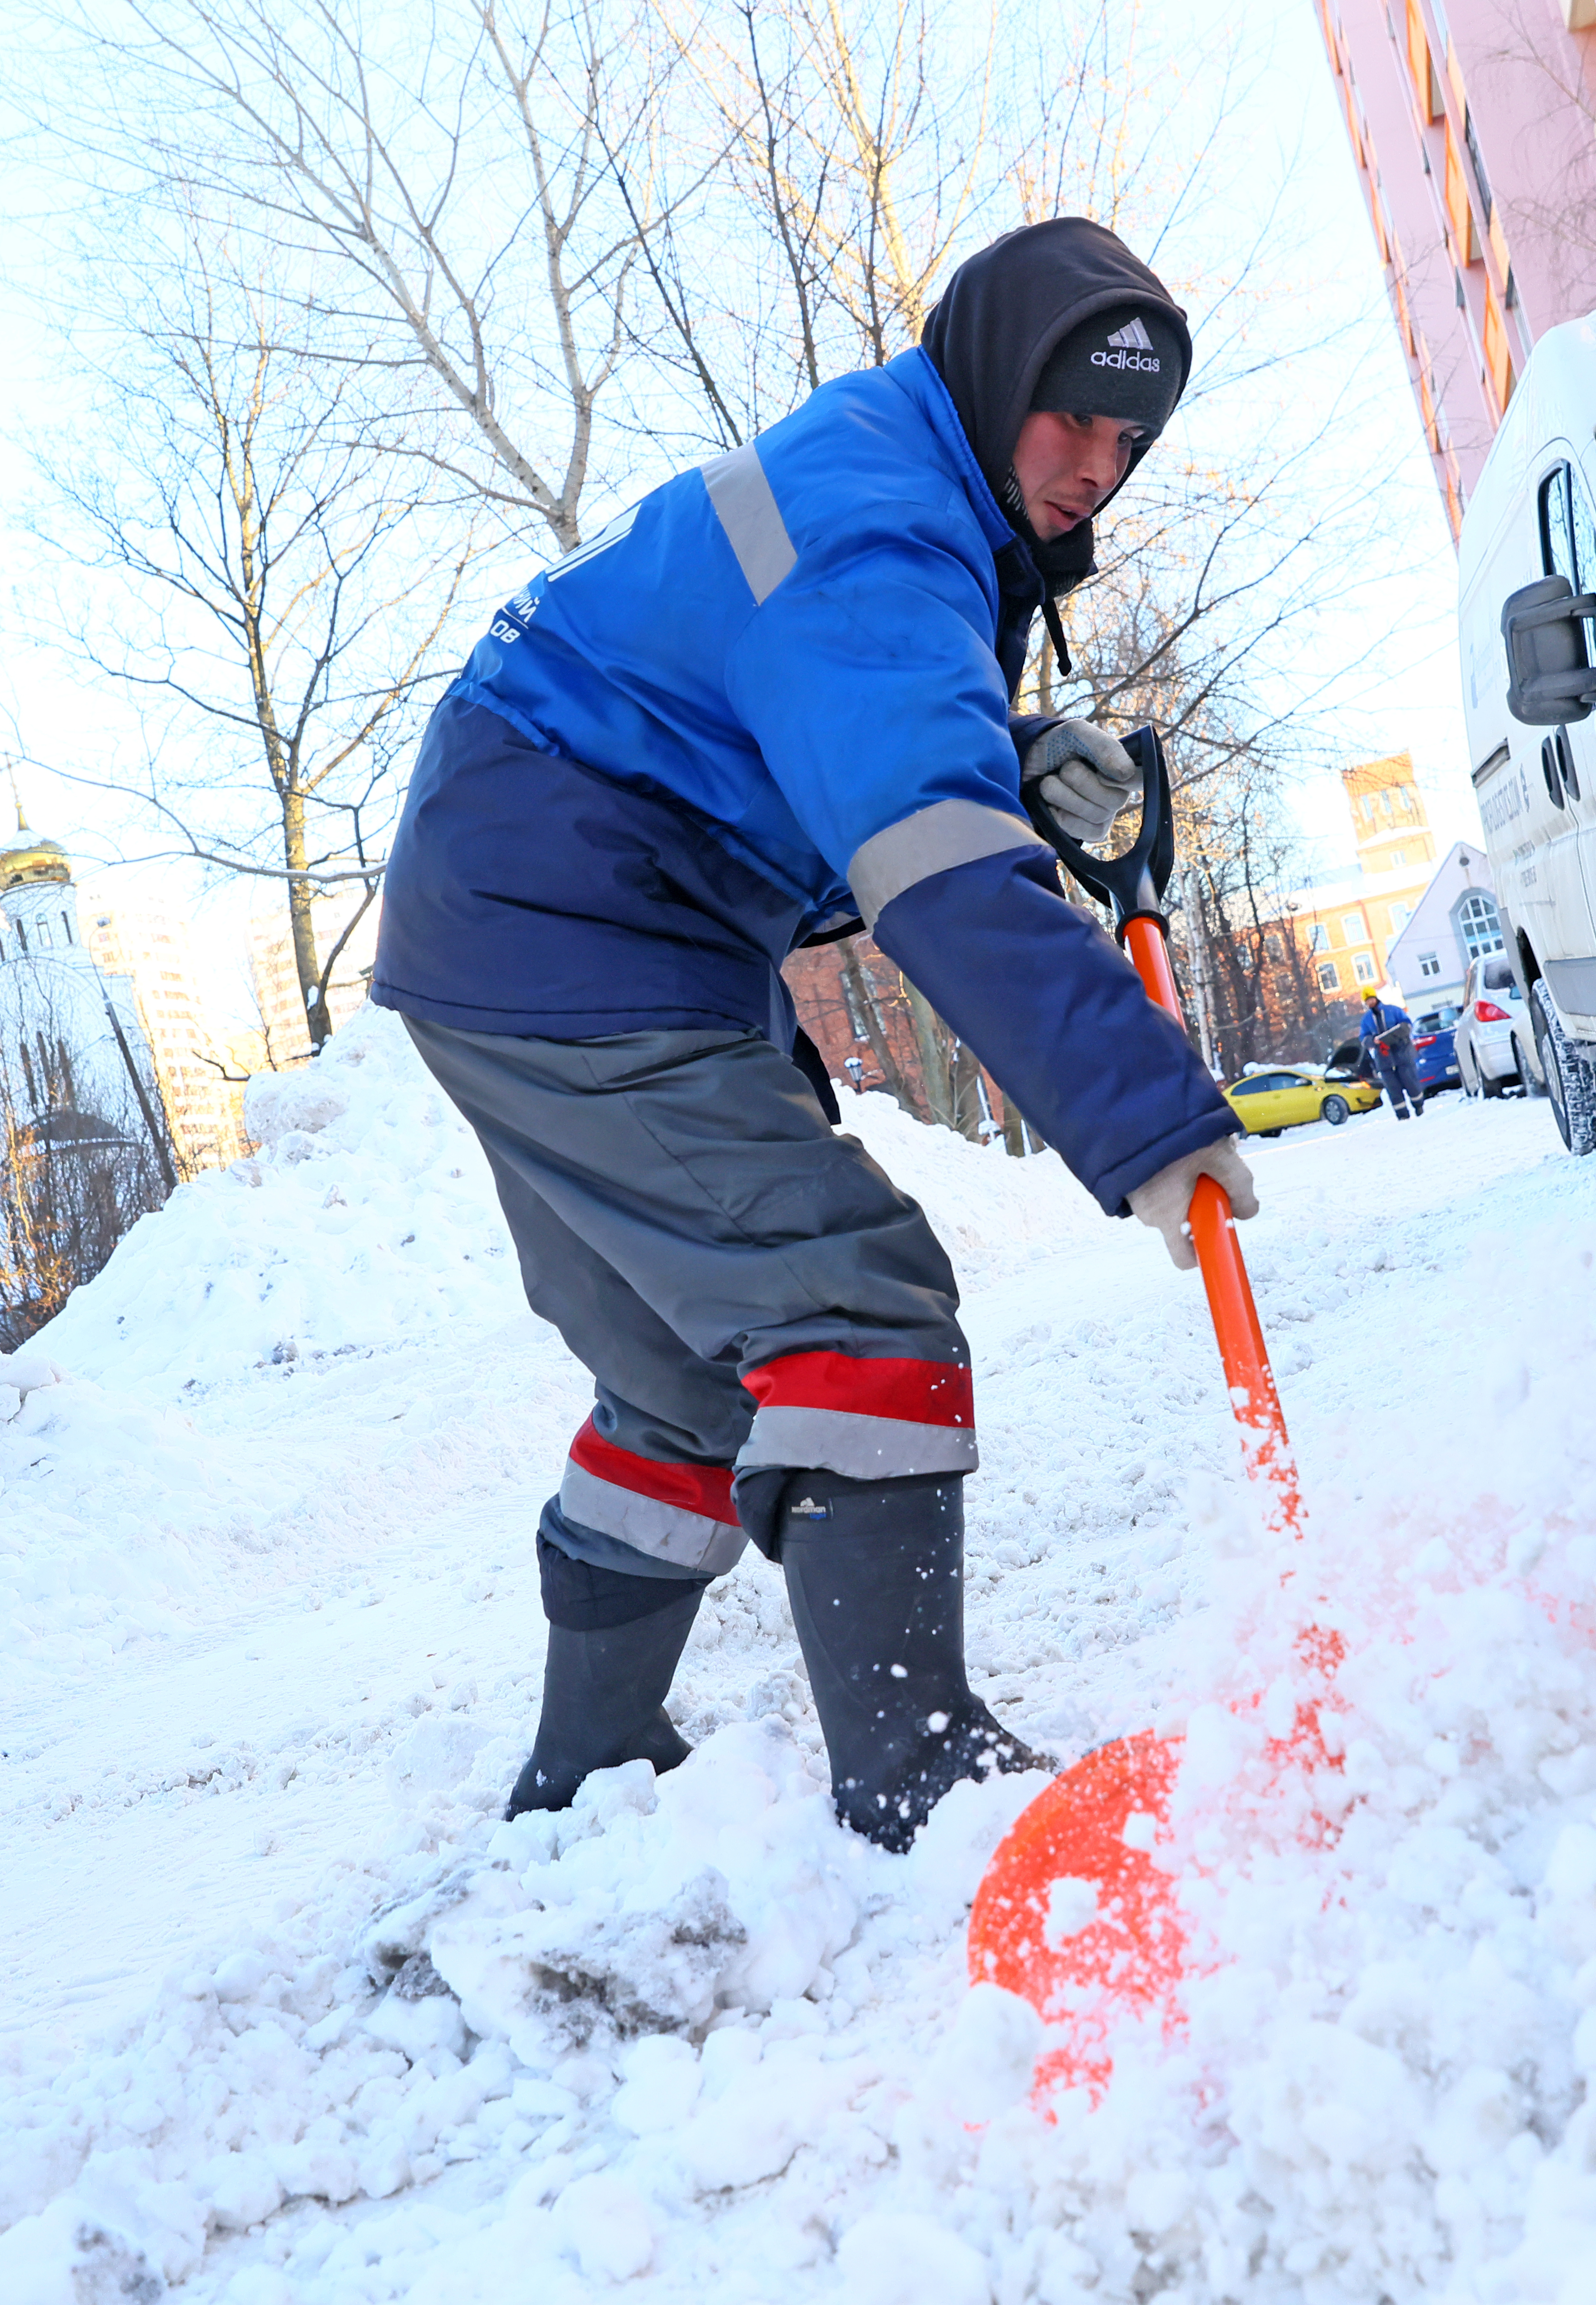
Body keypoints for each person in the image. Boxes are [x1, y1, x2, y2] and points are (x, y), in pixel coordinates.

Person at [368, 218, 1258, 1851]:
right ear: (995, 382)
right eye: (1070, 419)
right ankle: (919, 1784)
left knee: (686, 1378)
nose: (1096, 466)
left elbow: (792, 713)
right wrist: (1147, 1114)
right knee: (851, 1300)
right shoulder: (880, 530)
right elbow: (925, 859)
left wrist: (1013, 737)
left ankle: (586, 1779)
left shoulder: (895, 472)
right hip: (582, 928)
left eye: (1131, 440)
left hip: (534, 917)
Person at [1359, 991, 1423, 1119]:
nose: (1370, 1002)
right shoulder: (1366, 1019)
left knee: (1411, 1083)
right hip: (1384, 1060)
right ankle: (1402, 1115)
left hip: (1403, 1055)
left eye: (1371, 999)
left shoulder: (1393, 1010)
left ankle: (1419, 1108)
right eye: (1367, 1000)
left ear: (1376, 998)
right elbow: (1363, 1038)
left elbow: (1407, 1025)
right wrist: (1373, 1040)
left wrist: (1398, 1034)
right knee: (1393, 1089)